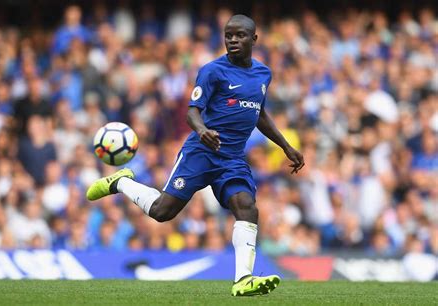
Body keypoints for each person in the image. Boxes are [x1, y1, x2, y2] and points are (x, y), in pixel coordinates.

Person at [86, 14, 304, 296]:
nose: (233, 40)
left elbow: (258, 113)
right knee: (162, 212)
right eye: (228, 35)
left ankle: (243, 279)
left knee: (247, 206)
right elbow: (192, 112)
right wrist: (202, 131)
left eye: (239, 35)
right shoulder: (212, 71)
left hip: (233, 159)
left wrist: (285, 146)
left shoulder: (263, 74)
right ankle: (121, 182)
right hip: (201, 152)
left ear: (254, 39)